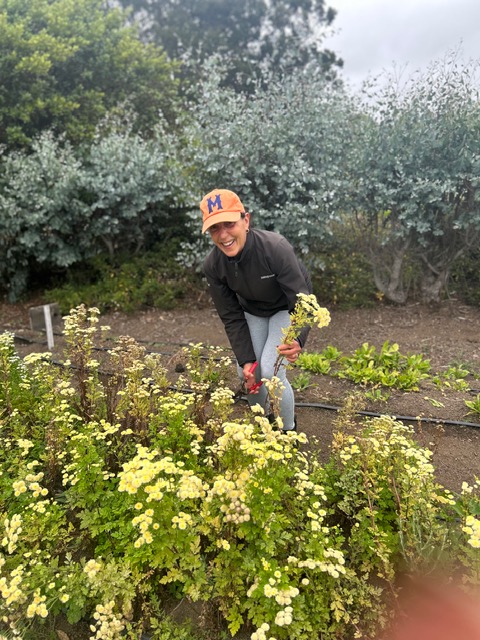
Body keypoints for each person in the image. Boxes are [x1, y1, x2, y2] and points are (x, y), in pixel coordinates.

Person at [199, 188, 313, 432]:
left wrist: (298, 338)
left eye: (229, 224)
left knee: (272, 371)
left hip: (286, 307)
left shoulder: (275, 248)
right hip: (253, 310)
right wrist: (246, 359)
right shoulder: (213, 265)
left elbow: (303, 301)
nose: (223, 235)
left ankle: (288, 432)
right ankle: (264, 426)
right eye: (214, 228)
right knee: (247, 372)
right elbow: (231, 316)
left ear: (246, 220)